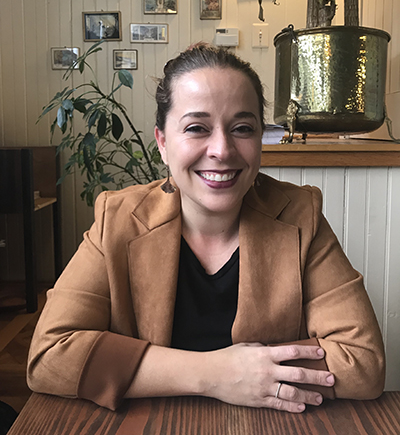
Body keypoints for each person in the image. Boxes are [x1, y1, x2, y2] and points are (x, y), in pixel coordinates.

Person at [27, 44, 385, 413]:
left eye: (242, 128)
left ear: (261, 139)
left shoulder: (300, 217)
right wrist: (215, 373)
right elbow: (50, 355)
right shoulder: (117, 218)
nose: (222, 149)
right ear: (163, 143)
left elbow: (363, 364)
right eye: (197, 128)